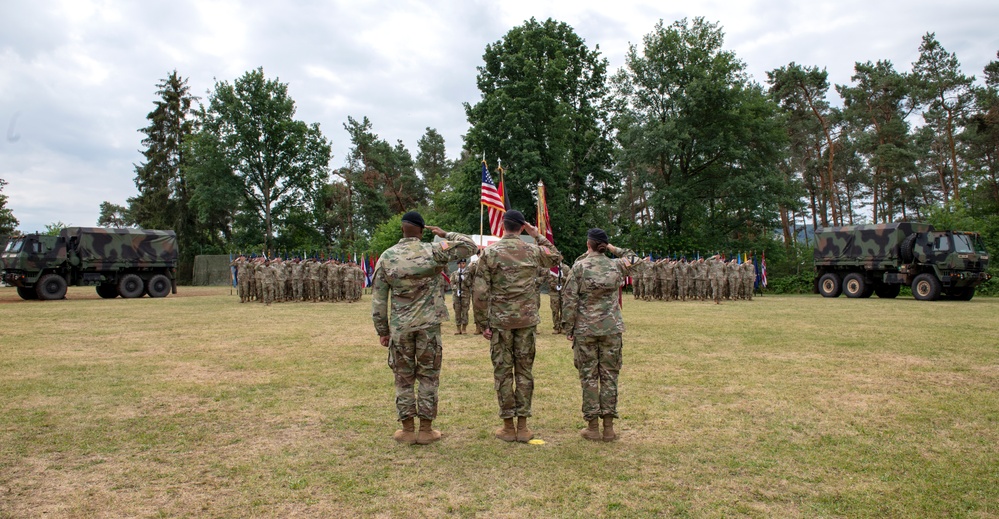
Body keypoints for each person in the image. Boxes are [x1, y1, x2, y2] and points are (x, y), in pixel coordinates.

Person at [371, 211, 475, 445]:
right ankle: (426, 430)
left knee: (403, 378)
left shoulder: (387, 256)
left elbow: (378, 299)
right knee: (428, 376)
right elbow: (470, 246)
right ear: (421, 230)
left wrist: (383, 330)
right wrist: (444, 233)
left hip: (401, 327)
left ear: (402, 230)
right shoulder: (433, 250)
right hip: (428, 326)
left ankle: (408, 430)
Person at [473, 210, 562, 442]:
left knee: (503, 372)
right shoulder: (532, 250)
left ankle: (507, 426)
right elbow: (555, 256)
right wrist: (537, 235)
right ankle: (522, 426)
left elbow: (480, 292)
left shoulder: (490, 253)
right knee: (524, 371)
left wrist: (482, 323)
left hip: (500, 322)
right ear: (521, 228)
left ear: (503, 226)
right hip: (526, 321)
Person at [561, 228, 643, 441]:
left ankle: (592, 427)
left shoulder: (579, 267)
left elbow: (569, 300)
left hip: (586, 330)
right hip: (611, 328)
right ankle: (609, 428)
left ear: (588, 244)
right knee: (610, 376)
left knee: (589, 376)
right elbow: (635, 258)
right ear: (604, 246)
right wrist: (613, 249)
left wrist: (568, 328)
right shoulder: (616, 265)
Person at [450, 258, 472, 334]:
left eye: (463, 263)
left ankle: (464, 328)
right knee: (457, 311)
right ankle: (458, 328)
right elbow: (452, 283)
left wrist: (464, 279)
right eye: (460, 263)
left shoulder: (468, 273)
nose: (462, 265)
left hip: (465, 295)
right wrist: (456, 289)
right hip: (457, 295)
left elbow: (469, 284)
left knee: (465, 311)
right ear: (458, 264)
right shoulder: (454, 273)